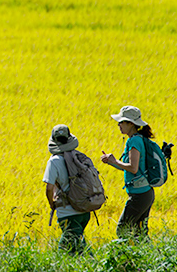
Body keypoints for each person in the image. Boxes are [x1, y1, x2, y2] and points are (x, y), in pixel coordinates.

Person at [100, 106, 156, 241]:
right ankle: (147, 259)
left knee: (122, 229)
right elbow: (131, 167)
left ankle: (125, 259)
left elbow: (133, 168)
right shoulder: (138, 138)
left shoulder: (134, 141)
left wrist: (115, 161)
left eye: (121, 122)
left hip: (140, 195)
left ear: (131, 124)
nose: (119, 125)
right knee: (140, 233)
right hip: (145, 193)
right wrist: (111, 162)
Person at [42, 124, 91, 254]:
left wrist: (52, 204)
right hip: (85, 210)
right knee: (78, 245)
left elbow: (49, 188)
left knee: (65, 251)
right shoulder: (79, 156)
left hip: (68, 213)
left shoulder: (54, 161)